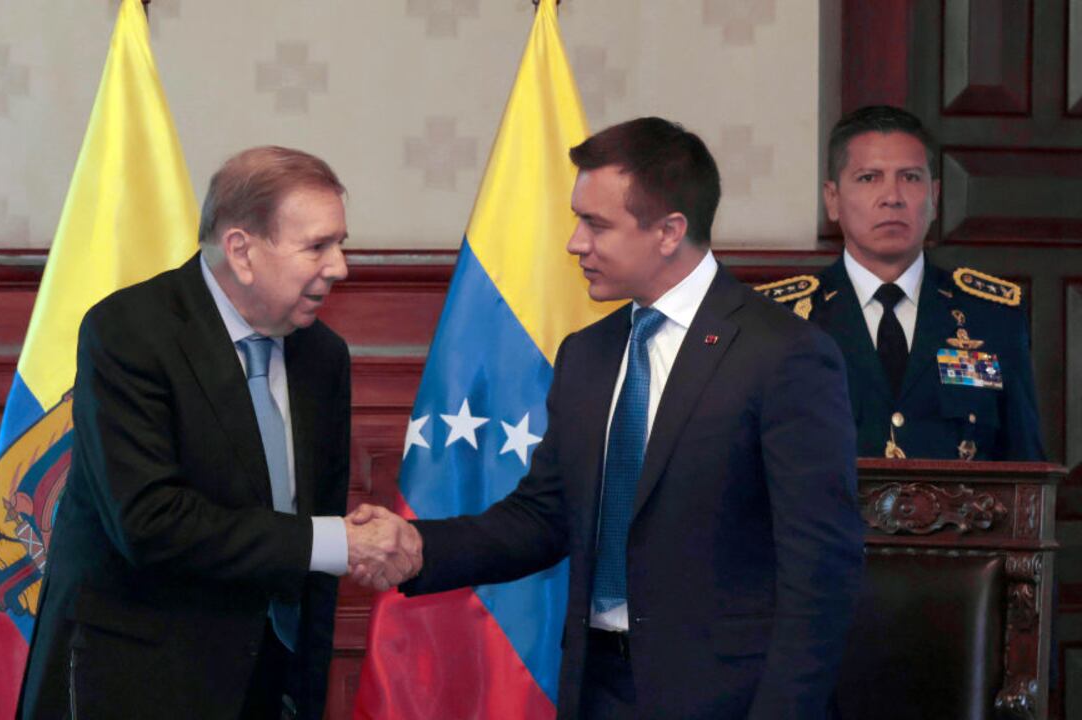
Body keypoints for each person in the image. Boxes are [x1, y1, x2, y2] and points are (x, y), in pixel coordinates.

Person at [352, 117, 865, 718]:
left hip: (728, 698)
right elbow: (545, 517)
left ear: (670, 231)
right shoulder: (588, 355)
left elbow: (821, 566)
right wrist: (418, 545)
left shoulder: (783, 353)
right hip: (597, 688)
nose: (574, 242)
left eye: (596, 224)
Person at [17, 146, 420, 720]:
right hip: (143, 682)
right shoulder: (131, 332)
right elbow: (150, 523)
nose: (339, 267)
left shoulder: (322, 355)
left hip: (272, 682)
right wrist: (339, 542)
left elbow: (313, 516)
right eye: (317, 246)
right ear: (241, 250)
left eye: (340, 243)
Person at [757, 105, 1045, 461]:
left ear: (935, 197)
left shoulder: (992, 317)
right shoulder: (779, 319)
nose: (892, 197)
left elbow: (1025, 472)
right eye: (868, 178)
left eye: (909, 178)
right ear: (832, 200)